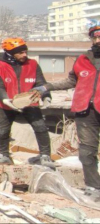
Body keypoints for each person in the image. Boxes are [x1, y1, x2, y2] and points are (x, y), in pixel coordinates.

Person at [33, 23, 100, 198]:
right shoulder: (83, 60)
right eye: (95, 37)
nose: (98, 40)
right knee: (87, 151)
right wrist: (46, 86)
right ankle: (93, 187)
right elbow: (71, 81)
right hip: (85, 110)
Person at [0, 38, 53, 167]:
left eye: (25, 52)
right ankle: (4, 154)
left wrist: (46, 96)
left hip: (29, 101)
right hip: (7, 103)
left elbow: (41, 83)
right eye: (20, 53)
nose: (24, 55)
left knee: (40, 127)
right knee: (3, 131)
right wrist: (5, 99)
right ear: (9, 53)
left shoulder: (33, 64)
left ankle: (45, 155)